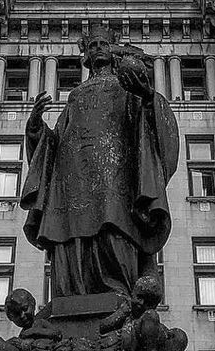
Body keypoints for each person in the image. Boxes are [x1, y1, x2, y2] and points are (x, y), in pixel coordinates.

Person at [20, 28, 178, 298]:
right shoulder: (75, 96)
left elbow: (154, 127)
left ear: (113, 49)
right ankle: (72, 297)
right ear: (86, 54)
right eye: (92, 45)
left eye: (103, 43)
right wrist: (35, 128)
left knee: (112, 229)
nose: (97, 48)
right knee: (71, 239)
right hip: (72, 176)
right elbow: (55, 143)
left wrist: (148, 96)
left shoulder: (126, 88)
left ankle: (118, 294)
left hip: (114, 175)